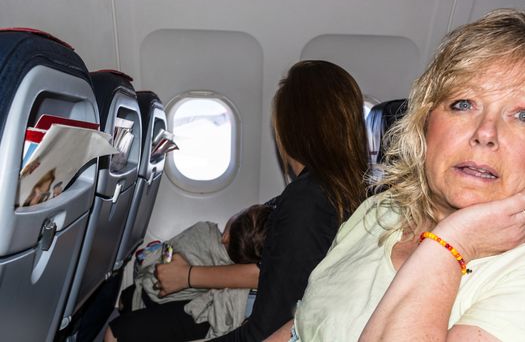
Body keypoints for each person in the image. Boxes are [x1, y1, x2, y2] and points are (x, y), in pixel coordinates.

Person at [267, 8, 525, 342]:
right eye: (463, 104)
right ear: (424, 122)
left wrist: (450, 245)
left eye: (523, 115)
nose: (485, 132)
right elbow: (304, 325)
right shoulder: (379, 211)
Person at [109, 60, 368, 342]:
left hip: (262, 321)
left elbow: (266, 329)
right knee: (126, 328)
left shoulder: (309, 202)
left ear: (292, 129)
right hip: (263, 311)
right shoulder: (334, 189)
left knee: (122, 333)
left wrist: (190, 276)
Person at [105, 204, 272, 341]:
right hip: (170, 299)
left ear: (226, 237)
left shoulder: (204, 232)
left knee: (128, 300)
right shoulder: (231, 272)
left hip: (152, 291)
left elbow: (169, 249)